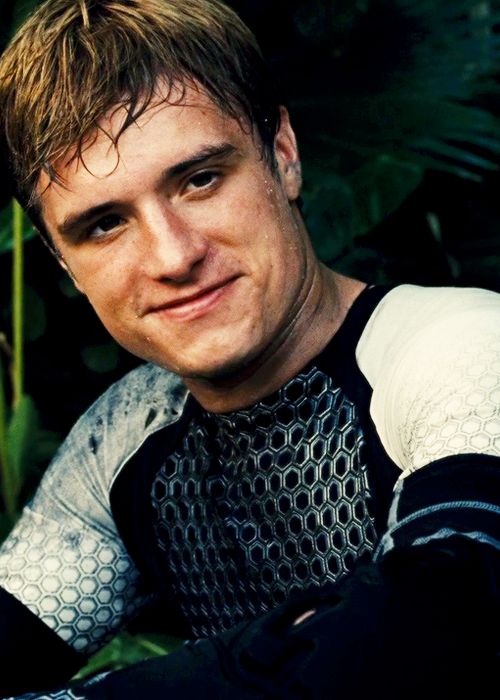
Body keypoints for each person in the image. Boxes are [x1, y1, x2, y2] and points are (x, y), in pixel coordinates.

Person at [0, 0, 499, 698]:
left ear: (283, 156)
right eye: (106, 224)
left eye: (200, 179)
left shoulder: (460, 348)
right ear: (62, 261)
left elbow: (442, 624)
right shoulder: (125, 441)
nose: (173, 256)